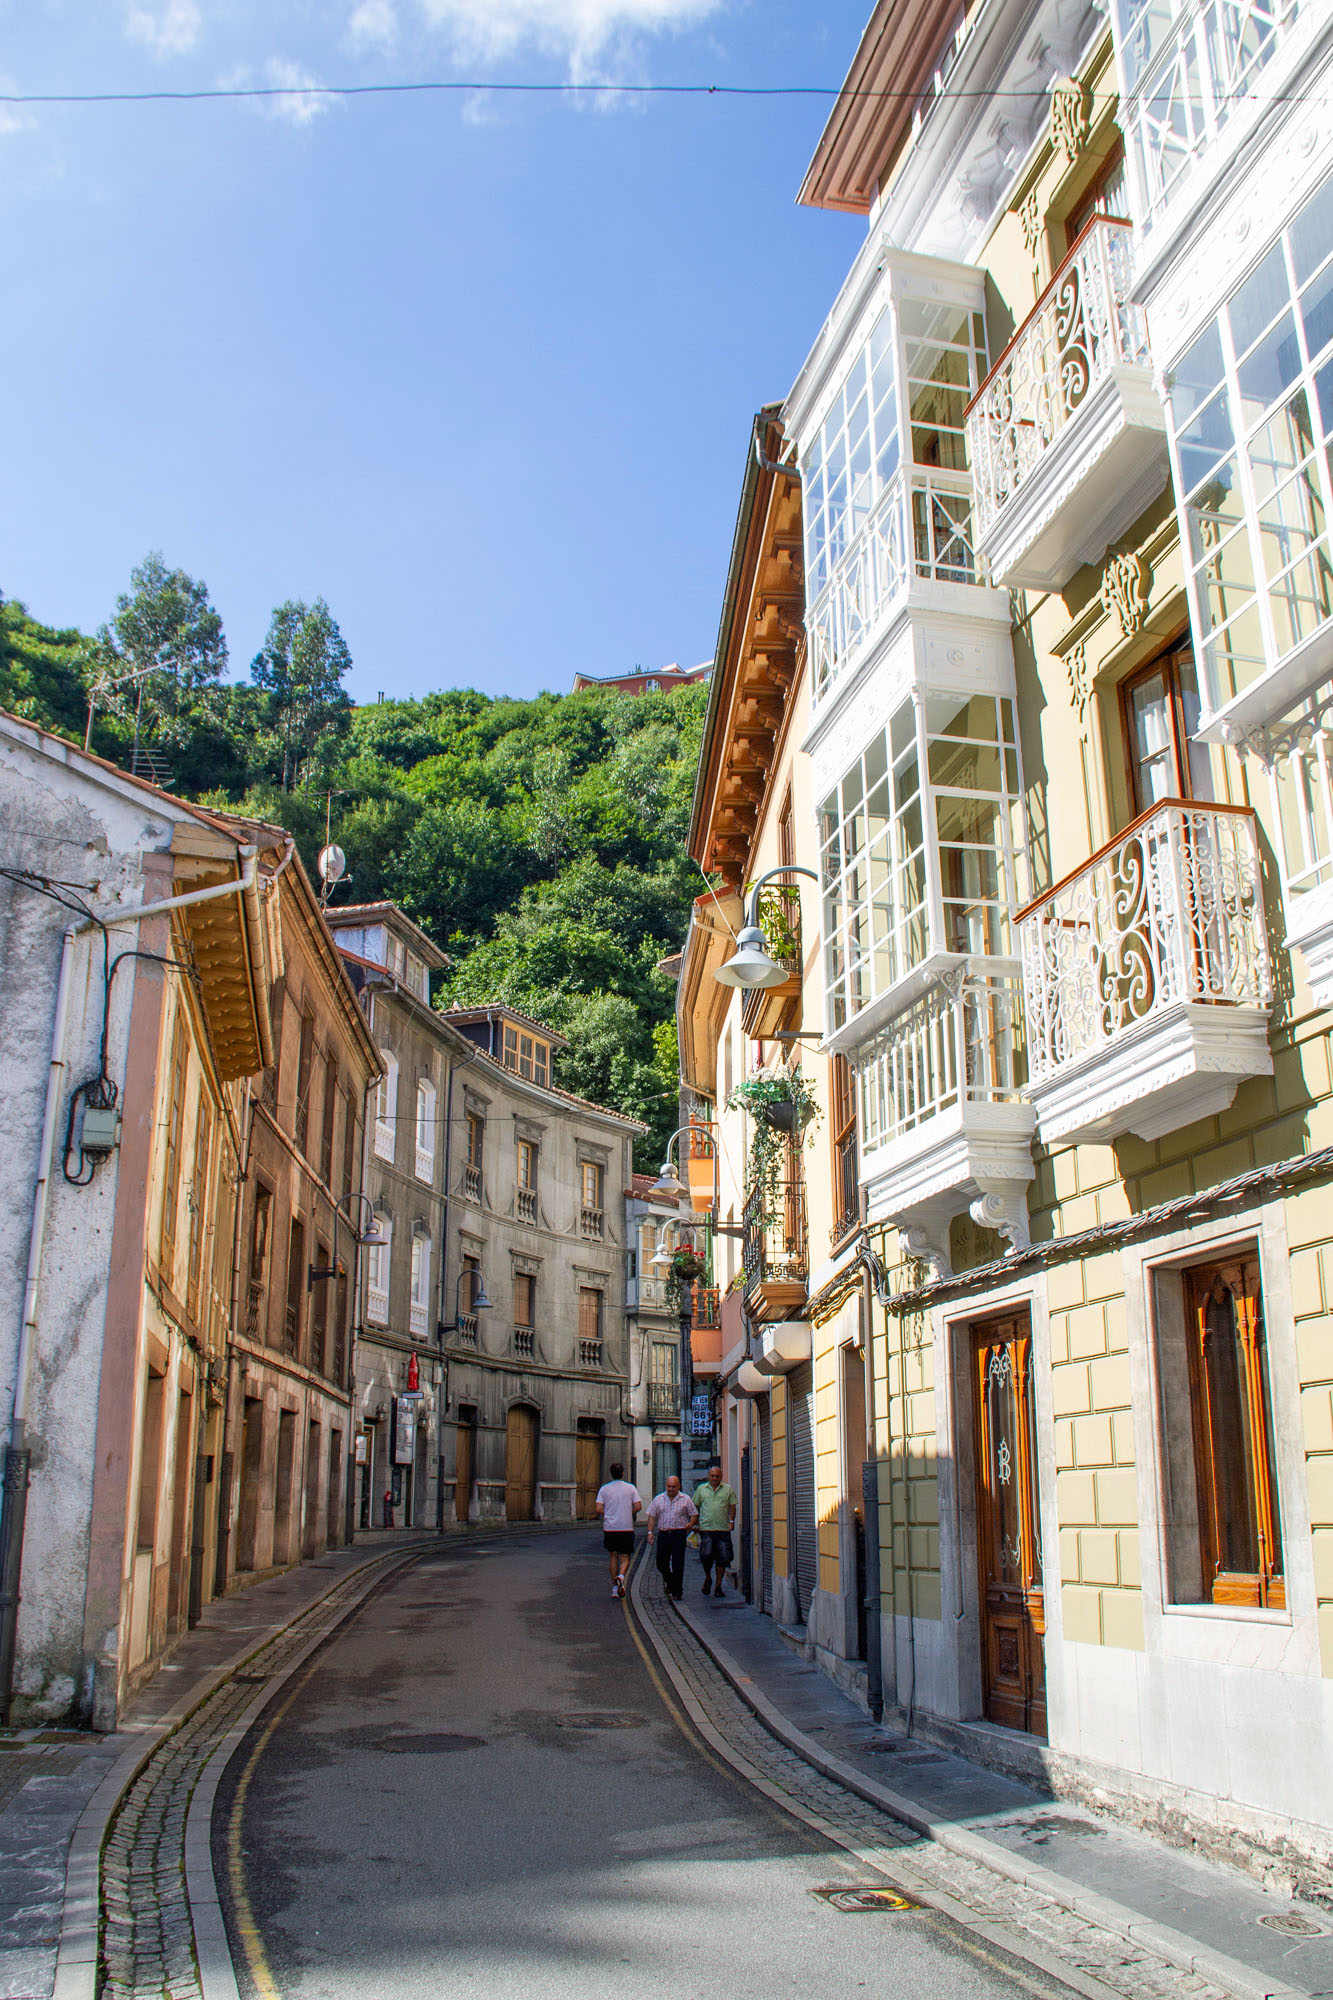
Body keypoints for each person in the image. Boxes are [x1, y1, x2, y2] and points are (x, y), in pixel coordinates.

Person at [644, 1473, 697, 1601]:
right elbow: (652, 1516)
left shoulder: (686, 1499)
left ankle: (677, 1591)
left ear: (679, 1486)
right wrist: (650, 1532)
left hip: (678, 1534)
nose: (671, 1489)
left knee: (678, 1563)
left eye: (673, 1487)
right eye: (669, 1486)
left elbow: (694, 1514)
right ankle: (671, 1582)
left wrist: (690, 1524)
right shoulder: (658, 1499)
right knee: (661, 1563)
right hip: (663, 1534)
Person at [594, 1461, 641, 1598]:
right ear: (622, 1473)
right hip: (626, 1527)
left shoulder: (604, 1489)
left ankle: (615, 1588)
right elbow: (638, 1506)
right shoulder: (630, 1488)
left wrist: (609, 1513)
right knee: (625, 1556)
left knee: (613, 1555)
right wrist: (628, 1511)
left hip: (610, 1528)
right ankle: (621, 1575)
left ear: (611, 1474)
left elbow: (598, 1509)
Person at [692, 1457, 737, 1598]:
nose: (714, 1478)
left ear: (721, 1477)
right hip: (706, 1529)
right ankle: (707, 1577)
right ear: (708, 1477)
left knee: (722, 1559)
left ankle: (718, 1587)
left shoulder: (727, 1489)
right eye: (712, 1476)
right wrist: (694, 1523)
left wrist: (731, 1521)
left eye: (717, 1476)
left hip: (723, 1529)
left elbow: (732, 1506)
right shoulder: (701, 1489)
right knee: (706, 1556)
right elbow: (695, 1507)